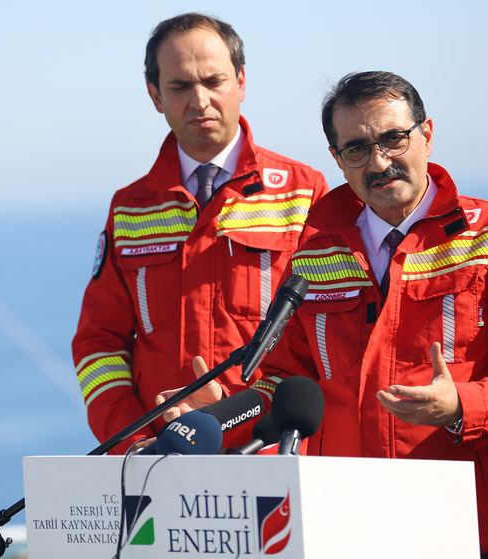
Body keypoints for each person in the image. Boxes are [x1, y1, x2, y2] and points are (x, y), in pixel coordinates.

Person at [253, 71, 488, 557]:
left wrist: (463, 406)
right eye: (357, 149)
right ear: (337, 161)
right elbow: (285, 382)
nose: (379, 161)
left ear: (426, 134)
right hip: (344, 528)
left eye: (393, 139)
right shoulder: (311, 257)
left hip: (475, 526)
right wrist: (225, 405)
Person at [71, 13, 328, 455]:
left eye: (214, 81)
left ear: (242, 82)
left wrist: (235, 416)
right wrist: (133, 442)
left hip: (271, 455)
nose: (200, 100)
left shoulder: (305, 193)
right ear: (155, 95)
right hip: (162, 460)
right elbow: (99, 346)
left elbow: (323, 341)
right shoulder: (130, 207)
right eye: (180, 86)